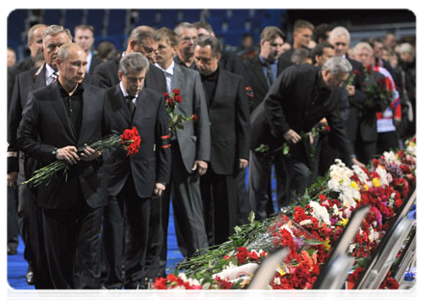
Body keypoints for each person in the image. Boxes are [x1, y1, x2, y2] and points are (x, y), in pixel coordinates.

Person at [17, 42, 114, 299]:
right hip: (54, 192)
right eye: (75, 64)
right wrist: (54, 152)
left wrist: (101, 151)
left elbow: (113, 135)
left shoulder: (99, 96)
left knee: (89, 254)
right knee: (59, 256)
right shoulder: (39, 98)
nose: (82, 69)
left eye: (84, 64)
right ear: (58, 64)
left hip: (90, 189)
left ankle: (87, 296)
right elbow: (23, 140)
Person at [5, 25, 74, 290]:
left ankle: (65, 270)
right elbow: (12, 123)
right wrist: (10, 166)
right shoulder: (23, 79)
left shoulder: (82, 77)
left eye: (61, 46)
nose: (56, 52)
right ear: (40, 49)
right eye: (50, 47)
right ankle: (35, 263)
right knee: (28, 218)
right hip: (30, 166)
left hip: (69, 165)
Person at [102, 52, 171, 298]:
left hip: (144, 177)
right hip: (112, 179)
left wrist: (162, 178)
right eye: (133, 80)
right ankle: (113, 282)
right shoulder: (105, 98)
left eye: (142, 79)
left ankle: (134, 280)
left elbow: (164, 143)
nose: (138, 84)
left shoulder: (154, 99)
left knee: (141, 233)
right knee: (113, 233)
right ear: (121, 76)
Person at [250, 57, 363, 206]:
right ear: (327, 73)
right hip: (267, 131)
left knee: (301, 174)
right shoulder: (297, 74)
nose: (341, 85)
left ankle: (288, 220)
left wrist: (351, 156)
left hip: (294, 138)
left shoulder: (334, 93)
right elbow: (272, 101)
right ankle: (255, 224)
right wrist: (285, 130)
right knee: (260, 186)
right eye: (338, 80)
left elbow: (337, 126)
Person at [155, 27, 210, 272]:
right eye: (153, 49)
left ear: (174, 48)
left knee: (191, 212)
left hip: (184, 152)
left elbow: (202, 118)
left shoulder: (190, 77)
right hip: (156, 154)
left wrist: (203, 156)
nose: (156, 52)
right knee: (156, 214)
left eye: (161, 48)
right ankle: (155, 267)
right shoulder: (145, 77)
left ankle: (200, 262)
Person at [193, 35, 250, 244]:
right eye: (197, 59)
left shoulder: (235, 81)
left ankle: (225, 250)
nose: (200, 64)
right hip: (198, 155)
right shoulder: (190, 79)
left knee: (226, 208)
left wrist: (244, 152)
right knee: (201, 209)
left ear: (218, 57)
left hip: (227, 154)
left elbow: (244, 121)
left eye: (205, 60)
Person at [243, 26, 292, 220]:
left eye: (280, 45)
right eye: (273, 45)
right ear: (263, 43)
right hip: (258, 135)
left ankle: (285, 226)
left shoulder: (288, 67)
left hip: (283, 135)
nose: (277, 49)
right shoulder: (246, 67)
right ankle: (258, 230)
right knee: (258, 189)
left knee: (285, 186)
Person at [93, 26, 166, 92]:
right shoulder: (105, 71)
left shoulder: (158, 75)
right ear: (133, 44)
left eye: (155, 51)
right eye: (149, 50)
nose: (152, 56)